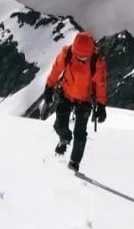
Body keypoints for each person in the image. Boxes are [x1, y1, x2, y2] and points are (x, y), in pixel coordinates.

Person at [40, 30, 108, 172]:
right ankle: (64, 138)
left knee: (80, 132)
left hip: (85, 99)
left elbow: (100, 84)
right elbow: (56, 70)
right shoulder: (67, 53)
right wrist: (49, 87)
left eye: (84, 57)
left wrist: (101, 105)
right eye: (79, 56)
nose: (82, 59)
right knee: (59, 125)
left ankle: (74, 162)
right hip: (66, 94)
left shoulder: (97, 61)